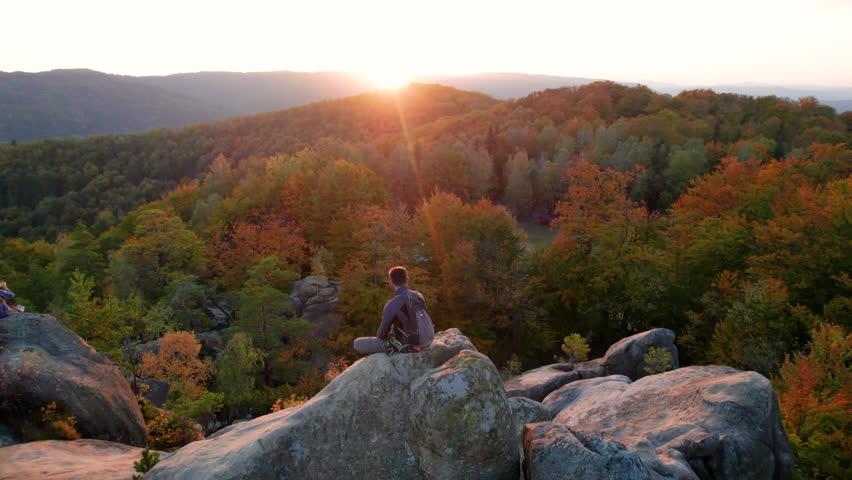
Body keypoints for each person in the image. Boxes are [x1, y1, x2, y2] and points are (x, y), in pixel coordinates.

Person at [354, 266, 434, 355]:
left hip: (409, 344)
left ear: (391, 282)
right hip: (427, 340)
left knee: (357, 343)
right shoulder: (419, 296)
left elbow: (381, 335)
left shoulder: (392, 304)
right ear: (407, 279)